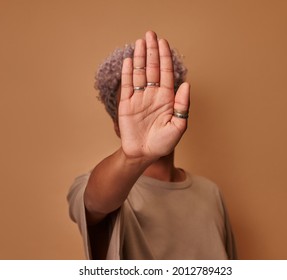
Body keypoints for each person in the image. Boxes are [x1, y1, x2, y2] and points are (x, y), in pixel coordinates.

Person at [67, 31, 237, 260]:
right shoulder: (100, 186)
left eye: (157, 96)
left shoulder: (210, 193)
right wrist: (134, 156)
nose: (149, 111)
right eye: (135, 103)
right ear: (117, 126)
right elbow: (95, 202)